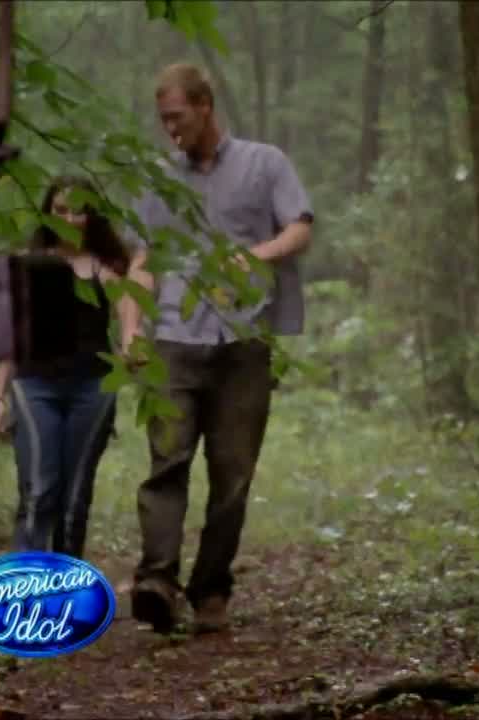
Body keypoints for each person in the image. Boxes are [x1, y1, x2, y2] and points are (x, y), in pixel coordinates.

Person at [123, 62, 314, 634]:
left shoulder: (265, 163)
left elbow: (300, 227)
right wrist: (131, 329)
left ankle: (210, 588)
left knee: (232, 475)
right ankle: (157, 581)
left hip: (244, 341)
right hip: (174, 340)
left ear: (204, 106)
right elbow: (143, 261)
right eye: (163, 120)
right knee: (167, 462)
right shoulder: (160, 179)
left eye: (177, 117)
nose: (170, 129)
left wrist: (253, 257)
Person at [0, 176, 142, 559]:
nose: (69, 219)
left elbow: (128, 310)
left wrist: (130, 344)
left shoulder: (105, 269)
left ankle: (65, 584)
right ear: (47, 212)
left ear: (91, 216)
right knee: (40, 490)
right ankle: (27, 579)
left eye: (78, 211)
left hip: (93, 388)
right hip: (34, 384)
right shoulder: (29, 265)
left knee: (74, 499)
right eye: (60, 210)